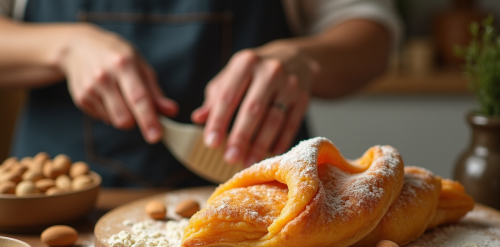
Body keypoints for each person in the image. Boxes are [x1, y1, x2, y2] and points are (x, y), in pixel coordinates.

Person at [0, 0, 400, 187]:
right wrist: (62, 47)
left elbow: (372, 34)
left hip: (267, 204)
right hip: (61, 207)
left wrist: (303, 59)